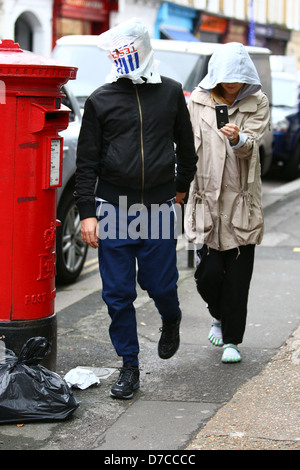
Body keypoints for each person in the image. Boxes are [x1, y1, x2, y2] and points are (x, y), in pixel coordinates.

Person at [74, 18, 197, 398]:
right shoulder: (100, 99)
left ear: (143, 49)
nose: (123, 58)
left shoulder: (172, 93)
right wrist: (87, 213)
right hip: (113, 207)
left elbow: (187, 149)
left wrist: (180, 188)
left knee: (160, 285)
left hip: (158, 205)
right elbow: (87, 162)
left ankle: (171, 317)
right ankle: (129, 365)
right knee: (117, 293)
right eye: (118, 53)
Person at [184, 42, 270, 364]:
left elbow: (254, 144)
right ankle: (218, 314)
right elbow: (186, 144)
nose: (232, 83)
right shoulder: (198, 100)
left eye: (237, 77)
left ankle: (232, 339)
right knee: (206, 273)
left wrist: (238, 139)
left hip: (240, 200)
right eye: (226, 77)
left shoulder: (256, 102)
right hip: (205, 196)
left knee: (237, 276)